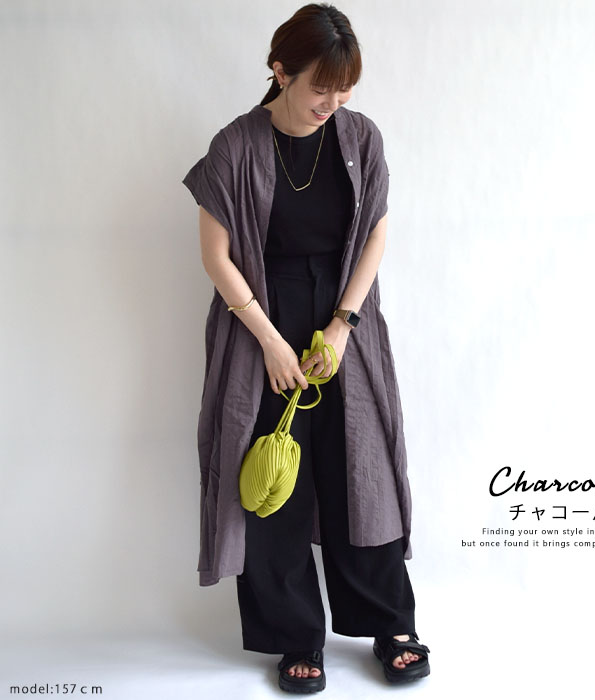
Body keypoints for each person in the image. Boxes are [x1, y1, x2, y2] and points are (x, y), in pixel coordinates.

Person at [182, 3, 430, 693]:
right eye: (322, 87)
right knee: (273, 480)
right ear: (280, 70)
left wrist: (344, 324)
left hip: (343, 312)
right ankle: (295, 634)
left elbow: (375, 231)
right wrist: (269, 341)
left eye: (345, 88)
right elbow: (216, 256)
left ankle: (389, 622)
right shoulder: (234, 146)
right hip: (260, 314)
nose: (334, 102)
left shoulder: (360, 136)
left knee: (361, 469)